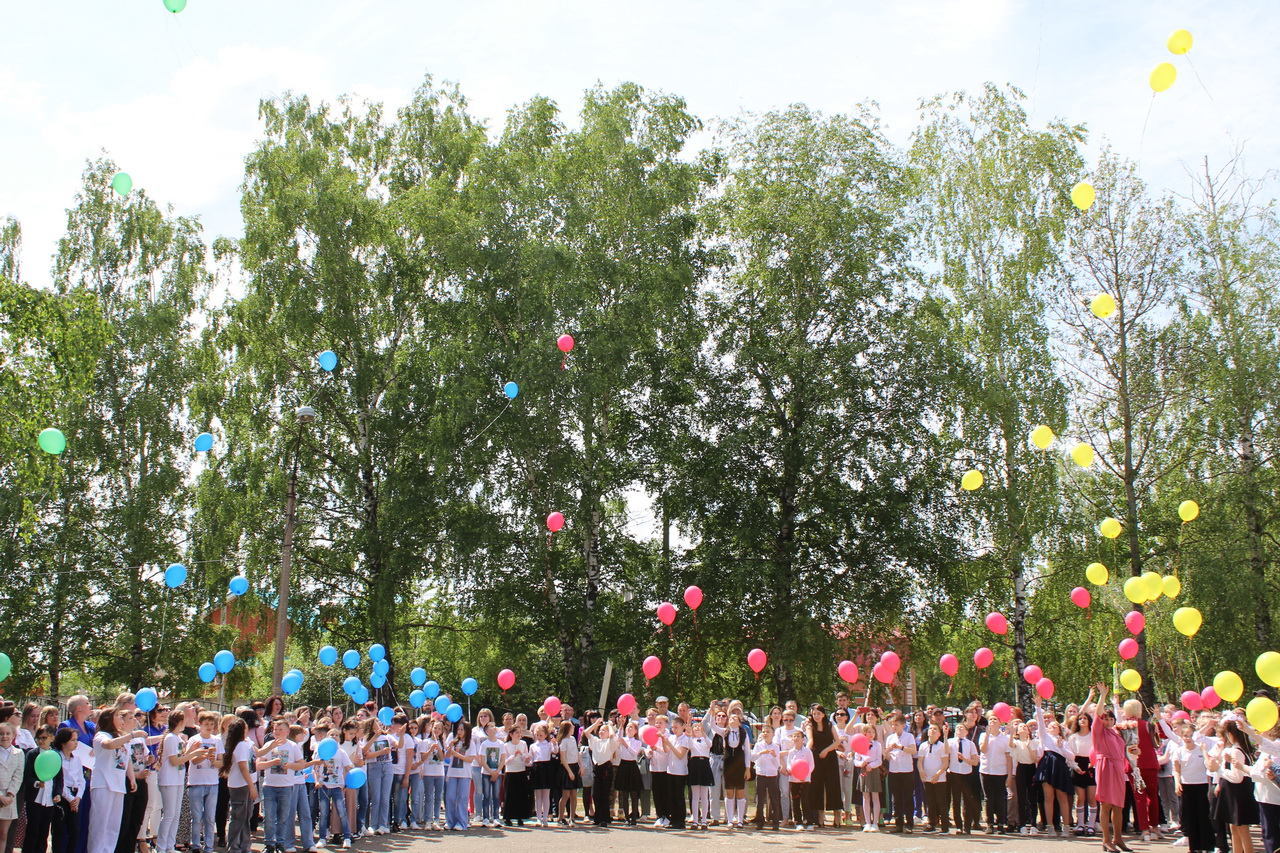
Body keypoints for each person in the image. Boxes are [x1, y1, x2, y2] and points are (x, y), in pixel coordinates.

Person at [1091, 683, 1131, 853]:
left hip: (1117, 768)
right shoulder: (1099, 730)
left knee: (1119, 806)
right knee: (1106, 804)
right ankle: (1106, 840)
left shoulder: (1116, 733)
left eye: (1110, 719)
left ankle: (1118, 838)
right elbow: (1098, 713)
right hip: (1105, 767)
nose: (1107, 721)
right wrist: (1102, 696)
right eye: (1105, 718)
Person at [1211, 716, 1258, 853]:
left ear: (1231, 734)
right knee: (1234, 827)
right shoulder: (1239, 750)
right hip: (1234, 793)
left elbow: (1237, 778)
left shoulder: (1237, 751)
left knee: (1242, 829)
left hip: (1238, 793)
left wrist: (1220, 770)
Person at [1034, 693, 1076, 837]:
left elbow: (1071, 757)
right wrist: (1038, 707)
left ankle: (1065, 826)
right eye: (1050, 726)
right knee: (1048, 796)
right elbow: (1040, 723)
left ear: (1059, 729)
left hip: (1059, 767)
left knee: (1062, 797)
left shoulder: (1063, 742)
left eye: (1054, 726)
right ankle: (1050, 825)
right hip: (1047, 765)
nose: (1051, 727)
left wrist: (1061, 747)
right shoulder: (1044, 738)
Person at [183, 712, 220, 853]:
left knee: (210, 817)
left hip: (212, 783)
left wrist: (213, 760)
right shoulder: (194, 740)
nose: (209, 727)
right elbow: (192, 760)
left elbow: (221, 762)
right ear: (200, 725)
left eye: (211, 724)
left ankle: (209, 846)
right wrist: (200, 753)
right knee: (197, 817)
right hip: (196, 782)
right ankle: (195, 845)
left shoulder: (217, 740)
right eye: (206, 724)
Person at [804, 705, 842, 828]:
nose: (816, 716)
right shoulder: (810, 726)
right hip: (816, 758)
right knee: (817, 787)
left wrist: (826, 750)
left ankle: (837, 817)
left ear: (823, 714)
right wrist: (804, 754)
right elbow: (810, 740)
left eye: (818, 714)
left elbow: (837, 742)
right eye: (814, 714)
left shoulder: (830, 725)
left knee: (833, 786)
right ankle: (820, 818)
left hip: (830, 757)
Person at [221, 719, 256, 853]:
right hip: (240, 785)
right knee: (238, 817)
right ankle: (234, 847)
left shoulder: (246, 743)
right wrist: (251, 786)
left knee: (246, 816)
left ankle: (244, 845)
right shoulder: (240, 745)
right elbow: (243, 766)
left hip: (245, 784)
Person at [51, 728, 83, 853]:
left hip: (75, 797)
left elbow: (81, 780)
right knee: (59, 830)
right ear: (63, 742)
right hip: (63, 796)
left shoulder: (77, 759)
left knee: (75, 832)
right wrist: (69, 798)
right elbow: (59, 781)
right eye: (73, 740)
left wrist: (78, 797)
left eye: (76, 740)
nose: (76, 743)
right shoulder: (57, 757)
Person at [884, 710, 917, 834]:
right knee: (896, 798)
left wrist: (901, 747)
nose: (894, 727)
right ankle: (898, 824)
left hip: (907, 770)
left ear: (903, 726)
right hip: (894, 770)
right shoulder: (890, 738)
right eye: (892, 725)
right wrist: (887, 752)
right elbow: (887, 757)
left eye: (896, 725)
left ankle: (909, 824)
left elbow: (913, 751)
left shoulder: (909, 736)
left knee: (908, 797)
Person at [979, 711, 1011, 834]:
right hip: (986, 771)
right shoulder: (983, 736)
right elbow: (983, 749)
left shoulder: (1005, 738)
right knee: (988, 798)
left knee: (999, 798)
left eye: (995, 720)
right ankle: (990, 823)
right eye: (990, 720)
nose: (992, 722)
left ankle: (1001, 823)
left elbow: (1008, 757)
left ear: (1000, 723)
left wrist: (1009, 775)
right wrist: (987, 735)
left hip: (1000, 771)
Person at [946, 720, 979, 835]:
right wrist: (945, 736)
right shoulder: (950, 742)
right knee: (956, 800)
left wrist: (965, 759)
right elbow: (945, 752)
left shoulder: (970, 744)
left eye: (962, 728)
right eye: (957, 728)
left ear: (966, 732)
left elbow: (975, 762)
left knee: (967, 800)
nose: (959, 729)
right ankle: (958, 826)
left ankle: (967, 826)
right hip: (954, 773)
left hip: (966, 774)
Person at [918, 723, 950, 834]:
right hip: (927, 778)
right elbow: (920, 761)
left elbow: (945, 763)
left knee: (941, 802)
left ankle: (944, 827)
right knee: (930, 802)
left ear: (939, 733)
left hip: (939, 779)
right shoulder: (923, 746)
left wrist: (938, 774)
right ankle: (931, 824)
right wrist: (921, 771)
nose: (932, 730)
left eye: (935, 729)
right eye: (930, 729)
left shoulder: (941, 746)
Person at [585, 719, 617, 828]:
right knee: (596, 794)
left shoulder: (610, 741)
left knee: (604, 794)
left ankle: (604, 818)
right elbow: (586, 732)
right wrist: (596, 724)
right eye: (600, 730)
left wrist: (609, 726)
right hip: (597, 768)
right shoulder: (596, 741)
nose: (601, 732)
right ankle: (597, 817)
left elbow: (612, 736)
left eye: (604, 731)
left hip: (606, 769)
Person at [749, 724, 780, 831]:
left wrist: (774, 755)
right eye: (764, 732)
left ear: (773, 734)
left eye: (768, 732)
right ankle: (760, 821)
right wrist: (760, 753)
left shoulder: (776, 746)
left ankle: (775, 822)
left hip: (772, 775)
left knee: (774, 799)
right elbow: (752, 758)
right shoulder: (758, 745)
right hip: (761, 774)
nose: (765, 734)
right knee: (760, 799)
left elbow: (777, 764)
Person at [784, 729, 813, 831]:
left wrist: (805, 775)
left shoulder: (807, 751)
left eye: (798, 736)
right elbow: (788, 764)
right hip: (793, 780)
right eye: (794, 737)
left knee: (805, 800)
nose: (796, 738)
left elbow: (811, 765)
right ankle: (798, 822)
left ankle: (809, 821)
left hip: (805, 780)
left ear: (803, 739)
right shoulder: (791, 752)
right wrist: (790, 769)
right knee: (795, 801)